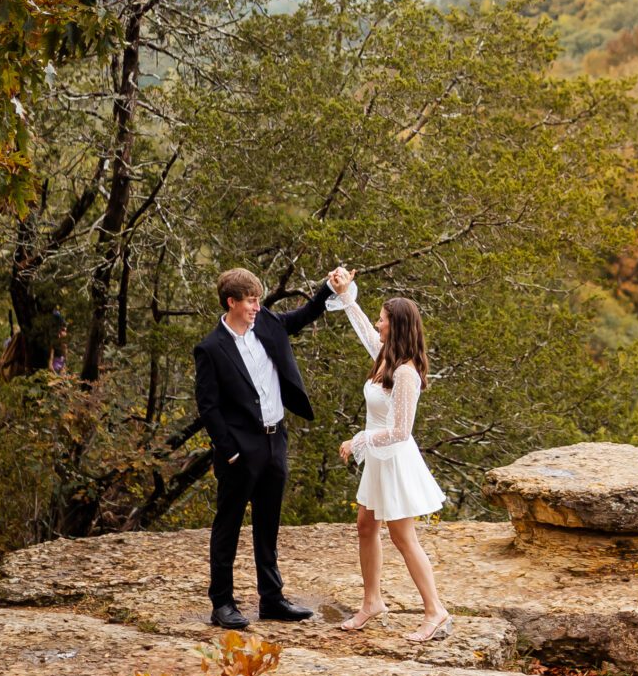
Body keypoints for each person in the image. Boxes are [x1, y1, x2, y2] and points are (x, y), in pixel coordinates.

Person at [193, 266, 332, 630]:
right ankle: (221, 603)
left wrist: (326, 289)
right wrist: (230, 451)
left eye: (257, 299)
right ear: (232, 302)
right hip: (240, 449)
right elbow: (208, 406)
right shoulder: (210, 348)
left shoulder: (266, 324)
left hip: (276, 440)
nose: (257, 306)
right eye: (251, 300)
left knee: (268, 523)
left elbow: (301, 317)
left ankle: (271, 599)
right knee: (229, 526)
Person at [323, 266, 451, 644]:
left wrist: (359, 440)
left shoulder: (407, 373)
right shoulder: (384, 358)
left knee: (402, 537)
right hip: (379, 462)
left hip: (395, 461)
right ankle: (372, 601)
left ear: (397, 326)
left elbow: (400, 431)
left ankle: (435, 610)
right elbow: (362, 328)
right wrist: (347, 295)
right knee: (365, 526)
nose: (377, 324)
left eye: (382, 320)